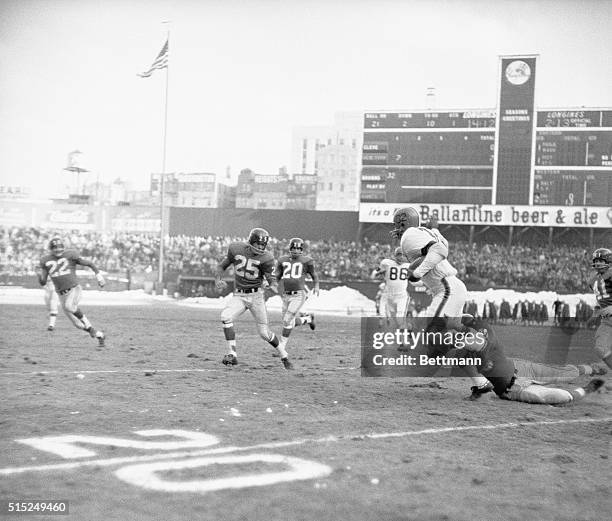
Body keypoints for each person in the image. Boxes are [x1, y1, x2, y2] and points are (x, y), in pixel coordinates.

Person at [390, 207, 491, 392]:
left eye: (398, 224)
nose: (396, 229)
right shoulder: (425, 232)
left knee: (434, 338)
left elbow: (439, 250)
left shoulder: (410, 234)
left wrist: (417, 273)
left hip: (446, 288)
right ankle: (481, 382)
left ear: (403, 222)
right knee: (443, 345)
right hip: (450, 287)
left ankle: (479, 340)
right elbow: (437, 245)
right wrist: (433, 228)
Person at [448, 315, 605, 404]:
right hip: (512, 389)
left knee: (562, 373)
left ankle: (591, 369)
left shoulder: (482, 335)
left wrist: (459, 332)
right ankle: (585, 390)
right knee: (557, 397)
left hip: (520, 368)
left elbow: (477, 342)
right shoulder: (464, 355)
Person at [214, 228, 291, 369]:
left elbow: (272, 278)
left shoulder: (267, 258)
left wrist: (271, 283)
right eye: (258, 244)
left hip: (256, 297)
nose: (260, 248)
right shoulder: (236, 249)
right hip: (240, 295)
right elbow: (222, 266)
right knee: (225, 316)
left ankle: (284, 355)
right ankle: (232, 354)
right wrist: (218, 279)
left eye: (263, 245)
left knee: (264, 333)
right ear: (251, 241)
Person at [38, 237, 106, 346]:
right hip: (61, 294)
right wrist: (39, 275)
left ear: (64, 247)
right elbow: (43, 282)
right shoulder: (45, 260)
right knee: (78, 324)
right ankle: (99, 335)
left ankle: (91, 330)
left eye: (60, 247)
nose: (58, 250)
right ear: (51, 249)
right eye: (55, 248)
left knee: (70, 306)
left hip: (74, 289)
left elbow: (89, 264)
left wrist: (98, 276)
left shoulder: (71, 255)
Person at [274, 237, 319, 356]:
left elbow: (313, 274)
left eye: (298, 248)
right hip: (286, 294)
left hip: (299, 294)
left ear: (301, 250)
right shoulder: (283, 260)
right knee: (289, 322)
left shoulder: (306, 261)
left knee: (287, 320)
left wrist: (317, 285)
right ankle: (308, 319)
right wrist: (271, 283)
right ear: (290, 248)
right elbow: (277, 276)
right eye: (293, 248)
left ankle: (282, 347)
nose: (295, 250)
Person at [373, 247, 411, 331]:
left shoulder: (409, 265)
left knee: (399, 317)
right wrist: (377, 271)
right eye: (399, 255)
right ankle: (405, 331)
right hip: (389, 296)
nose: (401, 257)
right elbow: (377, 271)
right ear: (395, 255)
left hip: (401, 296)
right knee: (393, 319)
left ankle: (404, 338)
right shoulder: (386, 263)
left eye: (402, 255)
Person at [586, 247, 612, 370]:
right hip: (607, 320)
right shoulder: (593, 280)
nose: (597, 263)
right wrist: (595, 313)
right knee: (600, 348)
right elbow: (600, 299)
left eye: (600, 260)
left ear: (608, 261)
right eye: (596, 260)